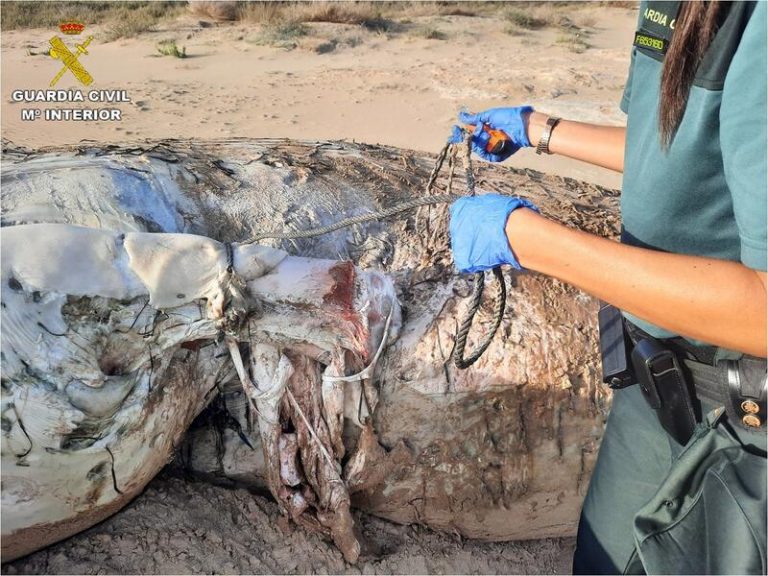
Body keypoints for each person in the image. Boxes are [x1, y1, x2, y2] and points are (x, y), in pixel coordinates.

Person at [447, 1, 767, 574]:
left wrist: (530, 241)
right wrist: (537, 130)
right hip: (655, 389)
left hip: (745, 425)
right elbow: (671, 150)